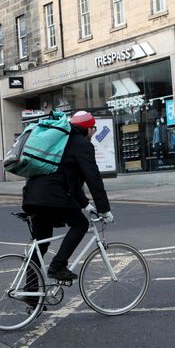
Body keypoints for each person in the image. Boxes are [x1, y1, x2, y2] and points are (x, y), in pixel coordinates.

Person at [22, 110, 113, 282]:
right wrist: (104, 209)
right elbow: (92, 177)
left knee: (41, 243)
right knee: (80, 224)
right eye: (93, 128)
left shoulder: (60, 142)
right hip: (52, 196)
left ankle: (30, 292)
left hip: (33, 195)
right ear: (88, 128)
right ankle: (58, 266)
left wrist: (85, 204)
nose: (94, 132)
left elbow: (69, 178)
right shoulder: (82, 144)